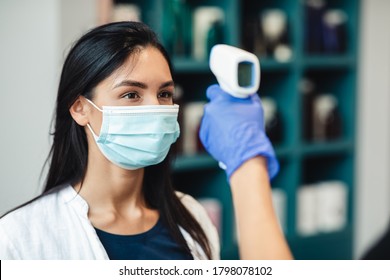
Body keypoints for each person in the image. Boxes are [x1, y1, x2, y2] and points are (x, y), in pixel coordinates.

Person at [0, 21, 292, 260]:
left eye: (164, 94)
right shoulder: (20, 238)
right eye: (131, 94)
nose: (155, 108)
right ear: (80, 108)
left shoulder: (192, 219)